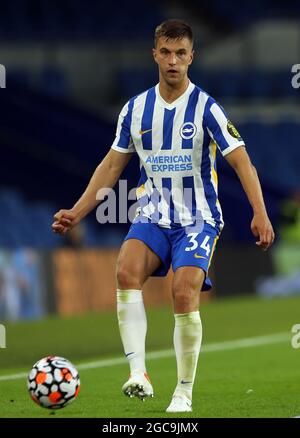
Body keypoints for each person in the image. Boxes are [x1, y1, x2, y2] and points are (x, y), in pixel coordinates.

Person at [52, 19, 275, 413]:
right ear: (155, 54)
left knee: (183, 292)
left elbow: (242, 163)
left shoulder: (206, 108)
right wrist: (78, 210)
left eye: (181, 53)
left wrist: (260, 212)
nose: (173, 60)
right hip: (153, 214)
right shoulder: (136, 110)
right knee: (125, 271)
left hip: (198, 218)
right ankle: (138, 373)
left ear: (192, 57)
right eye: (166, 52)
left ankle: (183, 392)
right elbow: (110, 167)